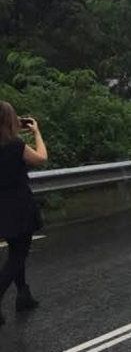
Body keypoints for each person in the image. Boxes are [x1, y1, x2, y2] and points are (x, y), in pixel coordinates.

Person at [0, 101, 47, 325]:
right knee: (18, 255)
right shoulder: (15, 145)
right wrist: (36, 133)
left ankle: (23, 295)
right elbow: (41, 158)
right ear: (10, 120)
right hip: (19, 205)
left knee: (15, 251)